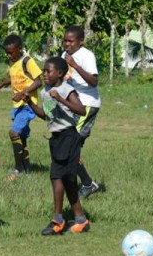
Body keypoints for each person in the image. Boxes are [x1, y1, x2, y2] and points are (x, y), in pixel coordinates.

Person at [25, 57, 90, 235]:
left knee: (57, 176)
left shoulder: (66, 89)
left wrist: (61, 98)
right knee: (68, 180)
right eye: (44, 71)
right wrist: (30, 103)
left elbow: (81, 110)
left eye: (48, 71)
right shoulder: (46, 91)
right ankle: (81, 219)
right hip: (56, 139)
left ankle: (58, 220)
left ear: (60, 73)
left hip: (69, 137)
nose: (44, 74)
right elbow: (46, 115)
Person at [0, 34, 42, 180]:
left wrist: (23, 93)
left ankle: (18, 169)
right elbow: (13, 77)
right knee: (22, 137)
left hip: (28, 105)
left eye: (11, 52)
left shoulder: (27, 61)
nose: (8, 55)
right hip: (17, 106)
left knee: (13, 133)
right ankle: (27, 168)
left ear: (19, 49)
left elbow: (38, 81)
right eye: (7, 53)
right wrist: (2, 83)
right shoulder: (13, 63)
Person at [61, 26, 101, 198]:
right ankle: (85, 183)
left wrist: (75, 66)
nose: (67, 44)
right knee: (68, 146)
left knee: (69, 146)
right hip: (72, 105)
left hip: (86, 105)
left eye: (71, 41)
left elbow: (93, 81)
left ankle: (86, 183)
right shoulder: (64, 56)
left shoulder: (86, 55)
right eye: (65, 41)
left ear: (81, 41)